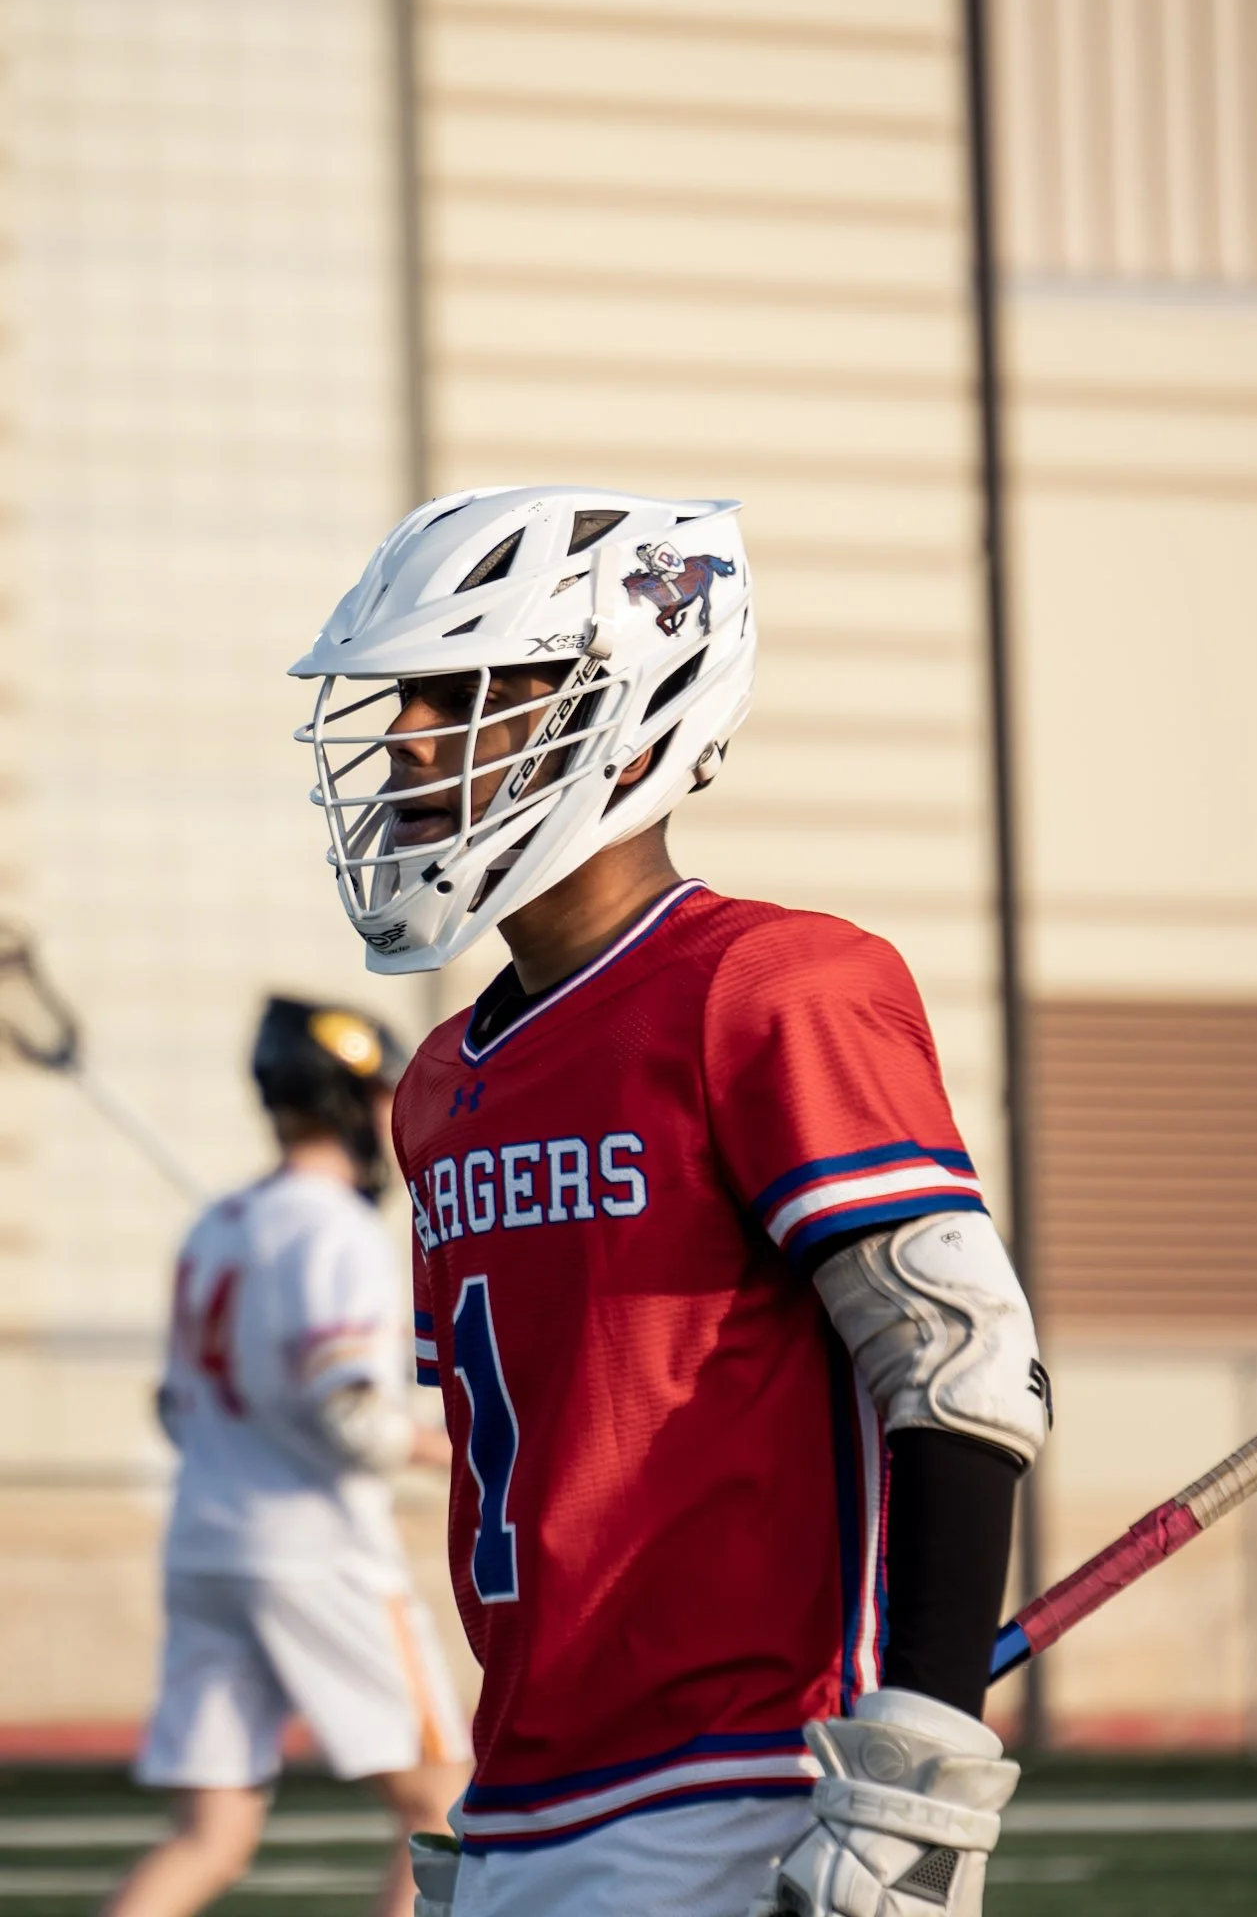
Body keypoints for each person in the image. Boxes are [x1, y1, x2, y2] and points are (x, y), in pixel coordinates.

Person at [289, 487, 1051, 1917]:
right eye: (401, 697)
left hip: (740, 1787)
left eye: (460, 694)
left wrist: (921, 1764)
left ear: (626, 713)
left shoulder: (770, 987)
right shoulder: (443, 1080)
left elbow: (959, 1364)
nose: (400, 738)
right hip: (522, 1800)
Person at [105, 997, 472, 1917]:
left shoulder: (220, 1223)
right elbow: (353, 1418)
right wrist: (466, 1449)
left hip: (205, 1546)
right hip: (317, 1555)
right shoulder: (333, 1229)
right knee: (446, 1810)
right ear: (354, 1100)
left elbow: (173, 1406)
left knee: (210, 1836)